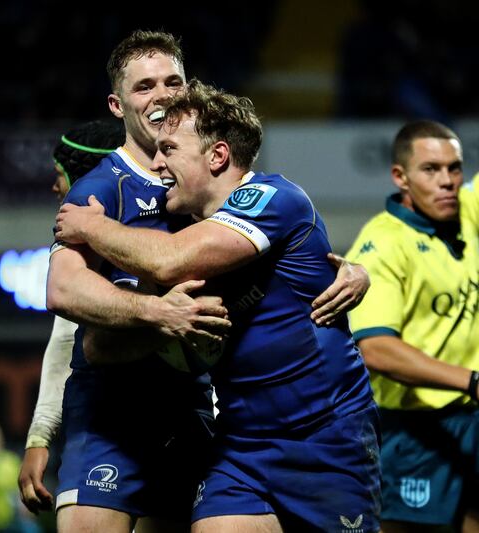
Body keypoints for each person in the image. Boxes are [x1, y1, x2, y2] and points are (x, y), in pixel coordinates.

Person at [54, 79, 380, 533]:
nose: (158, 161)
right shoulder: (181, 230)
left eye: (169, 148)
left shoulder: (271, 197)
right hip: (241, 448)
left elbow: (171, 261)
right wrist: (157, 317)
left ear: (217, 156)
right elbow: (97, 348)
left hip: (325, 439)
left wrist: (91, 226)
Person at [345, 120, 479, 532]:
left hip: (472, 415)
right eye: (431, 170)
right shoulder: (382, 244)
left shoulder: (468, 209)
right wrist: (472, 381)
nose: (447, 182)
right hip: (413, 427)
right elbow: (377, 349)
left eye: (454, 168)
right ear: (400, 176)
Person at [18, 119, 125, 515]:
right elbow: (65, 341)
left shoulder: (167, 230)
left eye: (59, 175)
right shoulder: (76, 247)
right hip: (99, 424)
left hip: (174, 419)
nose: (54, 187)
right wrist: (39, 437)